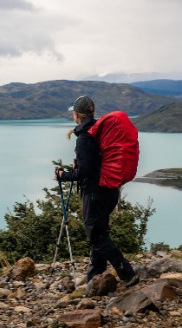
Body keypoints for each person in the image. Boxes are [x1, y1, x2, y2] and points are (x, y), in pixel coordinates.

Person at [55, 95, 139, 287]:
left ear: (76, 115)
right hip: (109, 191)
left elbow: (85, 172)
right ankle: (95, 277)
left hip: (95, 193)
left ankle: (127, 273)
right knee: (99, 234)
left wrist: (63, 175)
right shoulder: (97, 132)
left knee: (97, 236)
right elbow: (94, 164)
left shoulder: (84, 138)